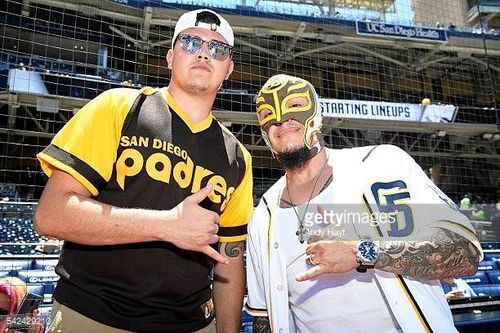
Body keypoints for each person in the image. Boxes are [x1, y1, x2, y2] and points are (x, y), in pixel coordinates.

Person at [34, 8, 253, 333]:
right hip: (92, 316)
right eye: (191, 43)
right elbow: (50, 216)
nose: (204, 53)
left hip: (192, 324)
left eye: (218, 49)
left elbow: (230, 259)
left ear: (229, 69)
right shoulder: (118, 107)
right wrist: (168, 225)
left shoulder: (238, 157)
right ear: (169, 56)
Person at [245, 74, 482, 332]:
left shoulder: (383, 165)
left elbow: (466, 252)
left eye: (294, 105)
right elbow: (264, 319)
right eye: (268, 112)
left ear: (317, 113)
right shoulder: (262, 217)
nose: (281, 119)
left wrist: (361, 252)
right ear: (263, 130)